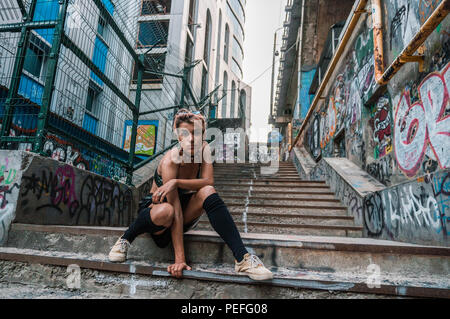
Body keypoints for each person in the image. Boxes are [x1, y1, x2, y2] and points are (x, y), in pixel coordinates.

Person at [109, 109, 273, 281]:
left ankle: (242, 258)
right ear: (179, 137)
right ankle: (125, 239)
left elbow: (208, 181)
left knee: (208, 191)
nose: (192, 138)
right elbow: (176, 209)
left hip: (185, 209)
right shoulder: (171, 160)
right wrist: (180, 260)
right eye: (186, 134)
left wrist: (177, 182)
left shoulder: (204, 149)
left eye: (196, 133)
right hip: (159, 215)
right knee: (167, 210)